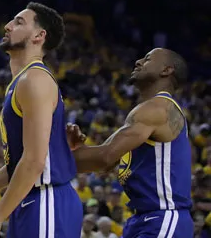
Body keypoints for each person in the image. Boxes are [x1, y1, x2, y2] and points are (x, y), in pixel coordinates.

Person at [0, 3, 83, 237]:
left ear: (39, 36)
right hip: (31, 200)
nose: (7, 26)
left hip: (46, 200)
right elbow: (22, 162)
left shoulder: (34, 80)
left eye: (19, 22)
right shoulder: (22, 82)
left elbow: (34, 163)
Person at [66, 48, 192, 238]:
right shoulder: (145, 113)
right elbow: (104, 163)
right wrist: (73, 150)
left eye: (148, 59)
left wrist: (46, 153)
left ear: (166, 70)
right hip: (142, 219)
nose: (138, 61)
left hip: (163, 217)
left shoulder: (158, 108)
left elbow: (104, 157)